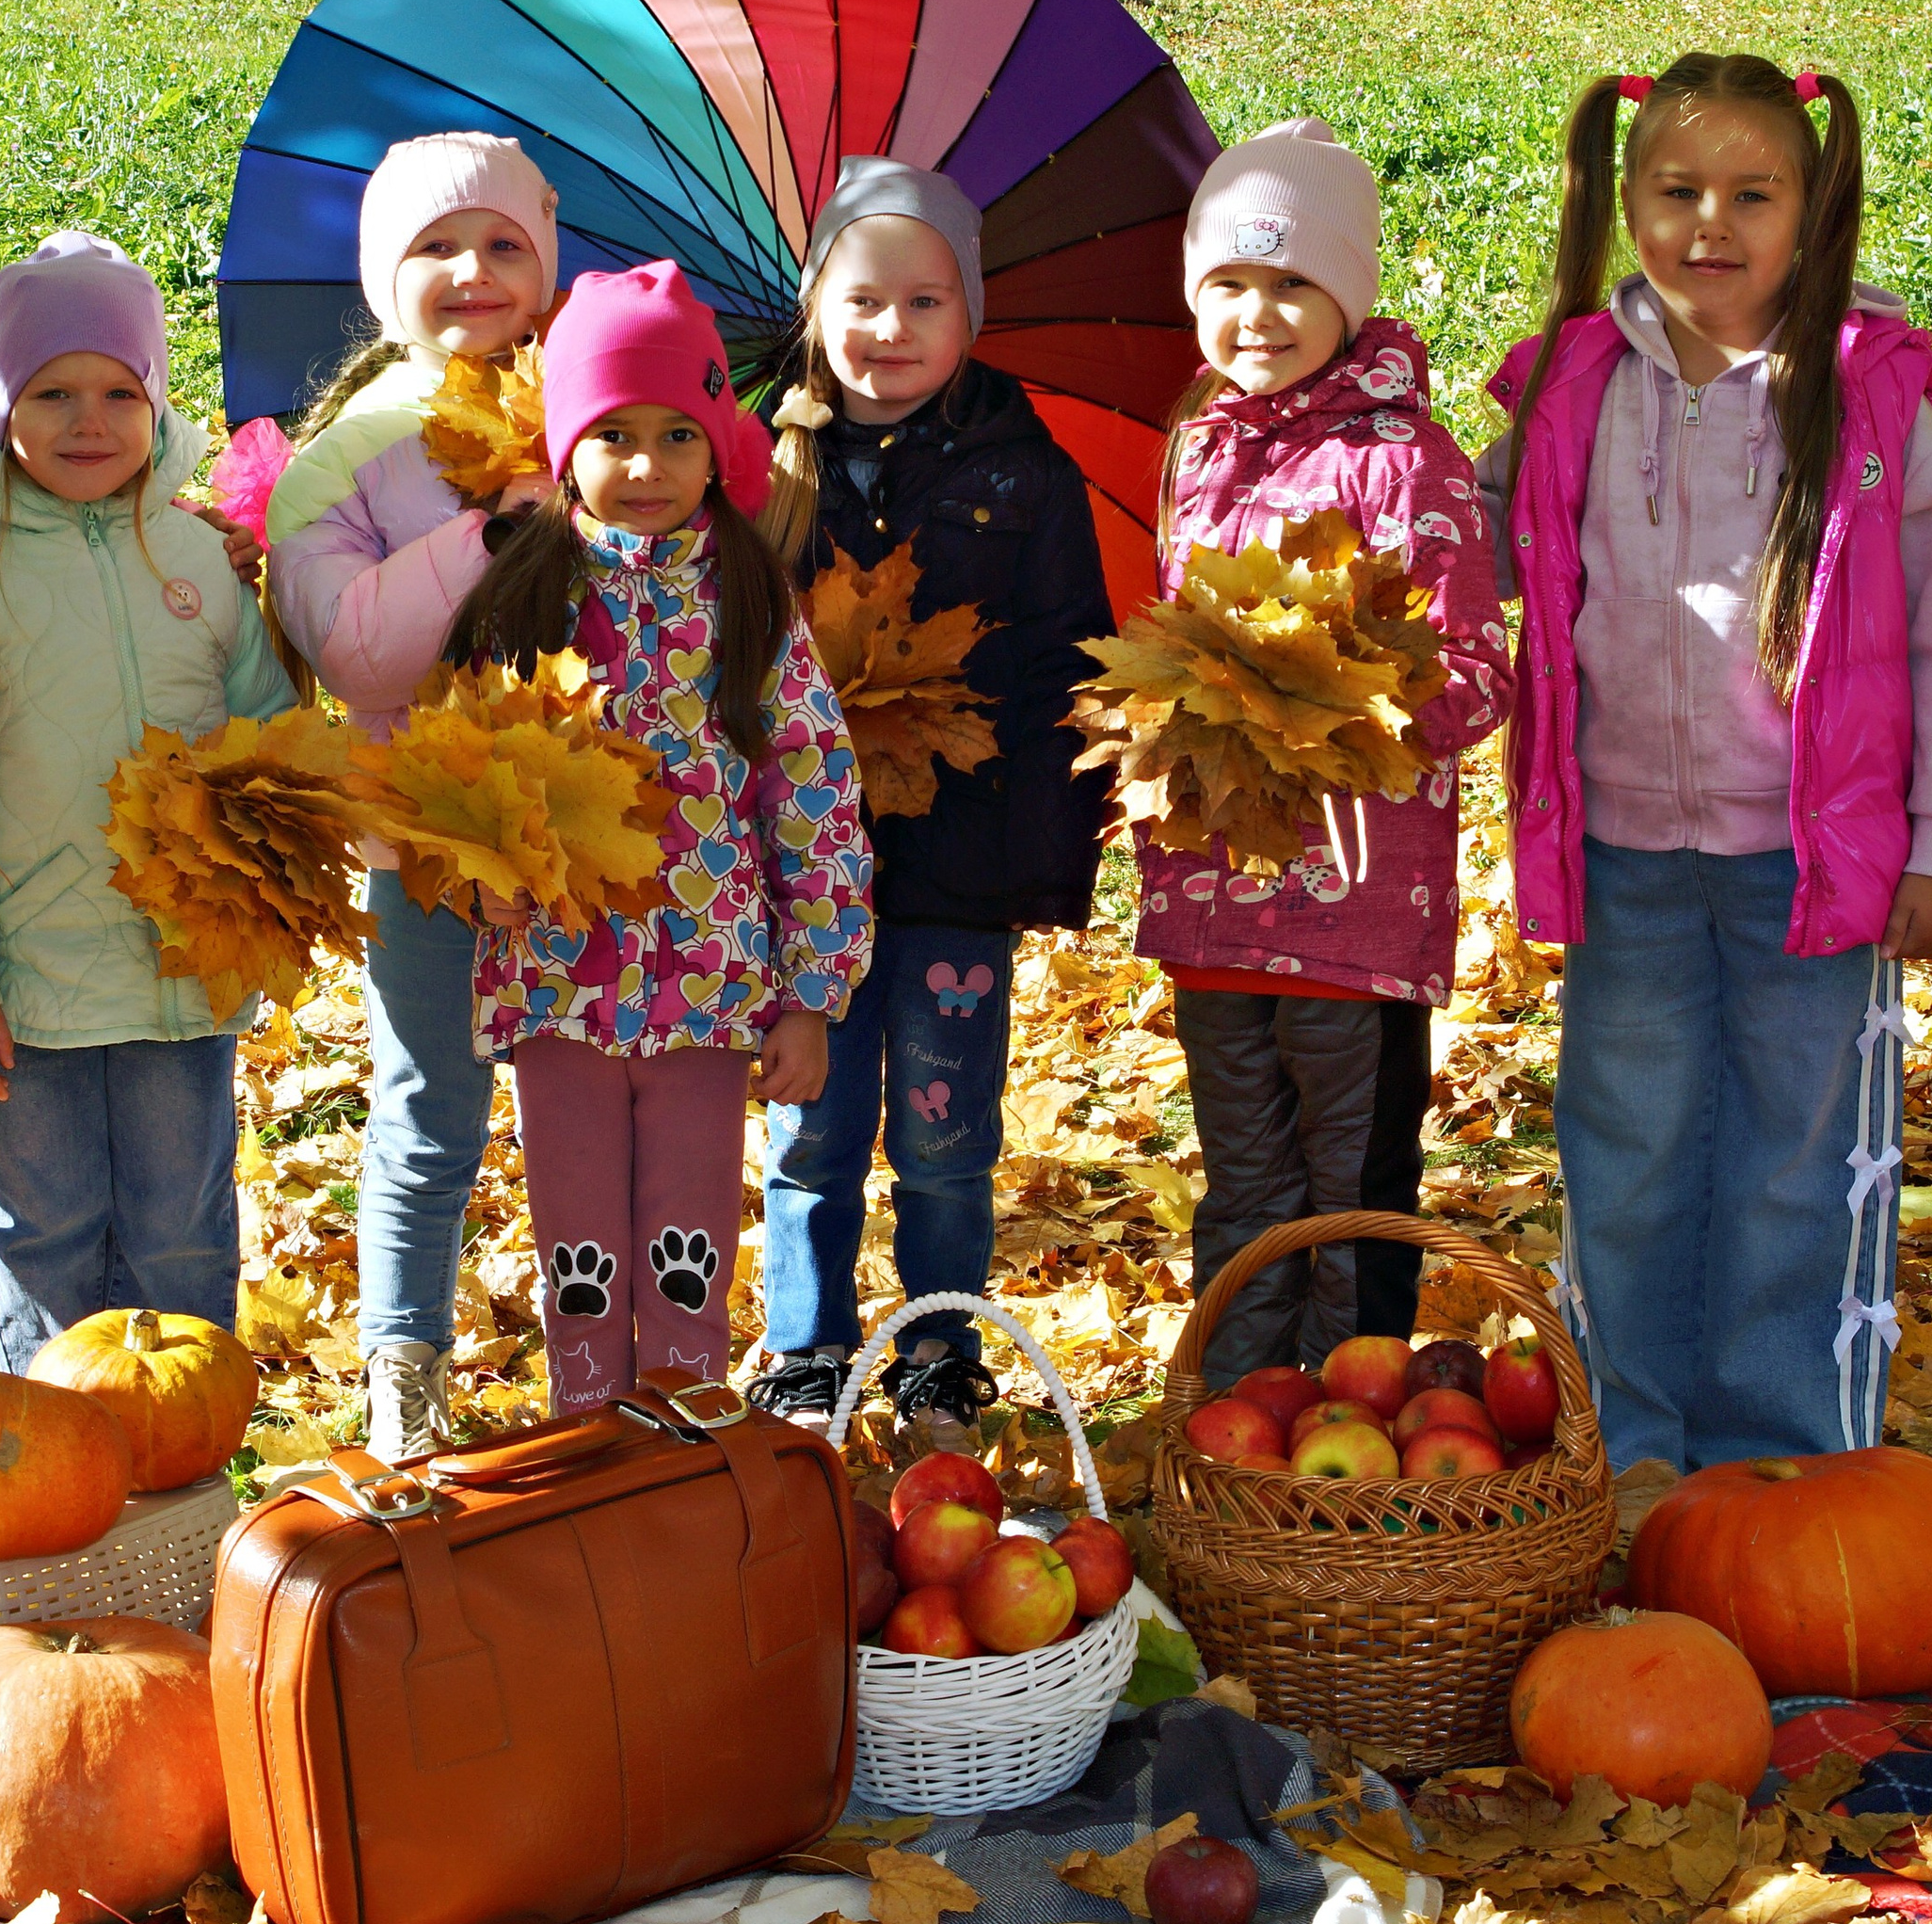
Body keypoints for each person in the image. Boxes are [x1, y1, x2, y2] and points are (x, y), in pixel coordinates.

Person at [1483, 54, 1932, 1471]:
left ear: (1813, 207)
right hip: (1624, 846)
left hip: (1820, 860)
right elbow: (1476, 550)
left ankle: (1784, 1471)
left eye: (1753, 192)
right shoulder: (1570, 385)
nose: (1711, 225)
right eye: (1677, 191)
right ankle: (1627, 1465)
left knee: (1798, 1175)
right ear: (1626, 202)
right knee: (1627, 1159)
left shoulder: (1880, 401)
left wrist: (1927, 844)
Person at [444, 261, 872, 1414]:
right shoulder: (522, 595)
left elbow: (815, 796)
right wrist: (480, 877)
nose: (644, 467)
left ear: (716, 443)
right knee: (577, 1251)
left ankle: (681, 1446)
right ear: (567, 442)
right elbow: (457, 779)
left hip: (710, 985)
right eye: (613, 433)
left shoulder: (751, 601)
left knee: (688, 1245)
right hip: (557, 981)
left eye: (677, 434)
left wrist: (810, 991)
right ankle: (590, 1441)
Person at [1140, 120, 1512, 1387]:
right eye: (1228, 285)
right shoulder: (1193, 455)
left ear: (1346, 297)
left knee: (1350, 1196)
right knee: (1244, 1186)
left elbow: (1474, 678)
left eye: (1293, 283)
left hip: (1355, 914)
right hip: (1214, 905)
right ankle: (1240, 1431)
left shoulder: (1408, 469)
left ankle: (1341, 1442)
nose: (1257, 314)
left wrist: (1334, 701)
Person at [748, 157, 1114, 1440]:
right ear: (812, 304)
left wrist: (1048, 861)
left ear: (970, 319)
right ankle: (805, 1344)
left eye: (924, 304)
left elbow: (1072, 661)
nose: (889, 332)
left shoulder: (1026, 475)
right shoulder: (764, 468)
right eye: (862, 300)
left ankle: (941, 1342)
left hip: (958, 874)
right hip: (805, 882)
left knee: (948, 1129)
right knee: (811, 1129)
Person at [0, 232, 295, 1372]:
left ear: (157, 397)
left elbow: (271, 752)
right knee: (45, 1233)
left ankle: (178, 1492)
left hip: (182, 970)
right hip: (28, 985)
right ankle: (59, 1463)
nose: (90, 419)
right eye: (52, 390)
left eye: (120, 391)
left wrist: (262, 917)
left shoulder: (201, 559)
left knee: (184, 1233)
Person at [265, 134, 560, 1458]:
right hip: (422, 843)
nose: (473, 271)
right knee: (431, 1106)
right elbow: (356, 647)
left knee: (582, 1098)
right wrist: (495, 529)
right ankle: (406, 1365)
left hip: (579, 838)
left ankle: (605, 1359)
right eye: (437, 248)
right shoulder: (354, 452)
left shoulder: (595, 407)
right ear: (390, 279)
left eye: (504, 245)